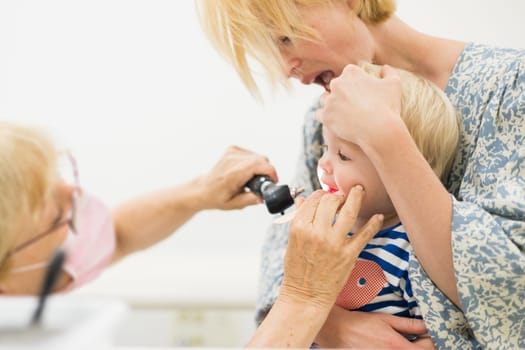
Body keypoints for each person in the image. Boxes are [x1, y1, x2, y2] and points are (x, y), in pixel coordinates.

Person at [196, 0, 525, 348]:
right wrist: (330, 324)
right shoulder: (323, 118)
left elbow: (509, 296)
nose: (284, 69)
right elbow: (286, 265)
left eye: (285, 38)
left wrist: (384, 137)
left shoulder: (510, 87)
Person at [0, 121, 384, 347]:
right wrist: (304, 299)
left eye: (59, 178)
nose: (75, 194)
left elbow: (114, 234)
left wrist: (199, 194)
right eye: (58, 217)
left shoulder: (22, 272)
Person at [317, 63, 458, 340]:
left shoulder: (414, 253)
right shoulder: (325, 232)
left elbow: (444, 337)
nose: (324, 165)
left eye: (343, 155)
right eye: (325, 149)